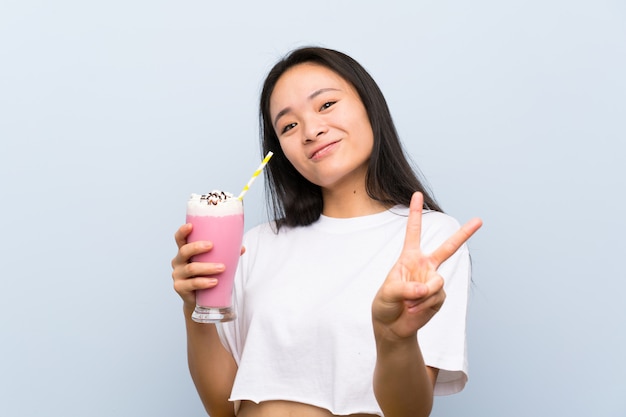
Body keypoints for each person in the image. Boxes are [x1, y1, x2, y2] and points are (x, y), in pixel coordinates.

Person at [171, 46, 482, 417]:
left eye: (326, 105)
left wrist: (395, 339)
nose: (311, 131)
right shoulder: (253, 246)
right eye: (288, 125)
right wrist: (195, 308)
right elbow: (222, 408)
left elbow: (409, 412)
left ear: (370, 106)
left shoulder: (429, 242)